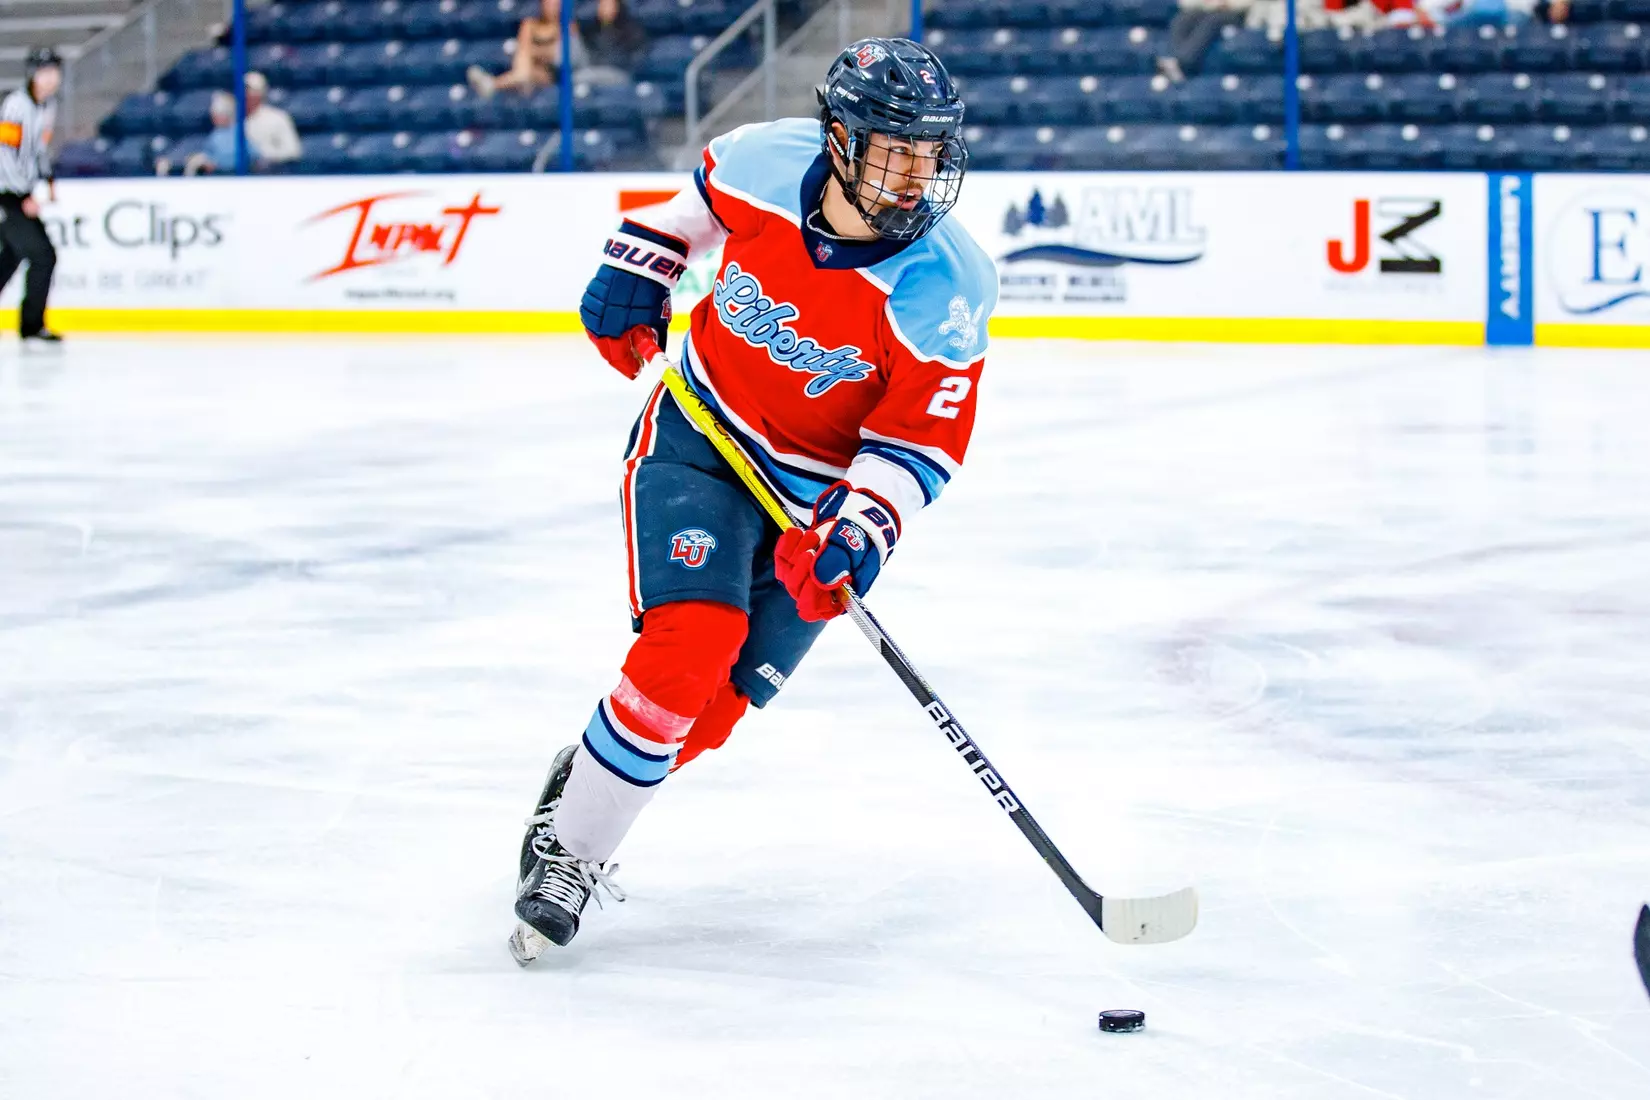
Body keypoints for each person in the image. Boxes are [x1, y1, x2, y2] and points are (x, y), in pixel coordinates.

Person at [507, 37, 998, 963]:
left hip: (810, 504)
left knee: (715, 711)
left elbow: (919, 442)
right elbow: (685, 217)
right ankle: (571, 854)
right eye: (895, 151)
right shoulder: (763, 161)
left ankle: (585, 782)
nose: (916, 179)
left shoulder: (948, 285)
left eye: (930, 155)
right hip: (701, 436)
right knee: (690, 644)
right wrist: (636, 269)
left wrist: (860, 530)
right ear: (841, 144)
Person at [0, 46, 63, 348]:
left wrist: (47, 180)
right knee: (42, 254)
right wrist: (22, 193)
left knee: (11, 256)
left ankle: (32, 324)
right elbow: (5, 154)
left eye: (54, 71)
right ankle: (31, 325)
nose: (50, 78)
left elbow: (39, 149)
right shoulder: (16, 105)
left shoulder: (47, 107)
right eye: (44, 72)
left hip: (19, 192)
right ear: (32, 74)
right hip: (4, 192)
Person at [468, 0, 588, 99]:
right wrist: (540, 52)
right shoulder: (529, 24)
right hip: (530, 67)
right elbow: (523, 47)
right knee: (524, 62)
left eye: (556, 5)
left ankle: (493, 84)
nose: (552, 8)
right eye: (549, 4)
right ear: (542, 5)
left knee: (526, 67)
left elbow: (560, 54)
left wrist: (535, 51)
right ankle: (518, 81)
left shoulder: (568, 26)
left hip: (551, 74)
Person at [1158, 0, 1253, 82]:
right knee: (1181, 19)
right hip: (1207, 9)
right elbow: (1185, 3)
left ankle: (1184, 63)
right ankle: (1174, 58)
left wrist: (1227, 3)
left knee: (1212, 21)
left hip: (1235, 13)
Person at [577, 0, 647, 83]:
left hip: (620, 72)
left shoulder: (632, 32)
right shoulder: (590, 31)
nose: (604, 10)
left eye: (608, 6)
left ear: (617, 8)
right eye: (602, 6)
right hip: (594, 71)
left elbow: (637, 56)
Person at [243, 71, 301, 167]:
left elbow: (293, 151)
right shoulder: (231, 119)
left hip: (272, 174)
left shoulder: (278, 117)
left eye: (249, 91)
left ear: (260, 93)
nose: (246, 95)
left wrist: (264, 155)